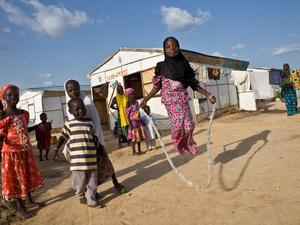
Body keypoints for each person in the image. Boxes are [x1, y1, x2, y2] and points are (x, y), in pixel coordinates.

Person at [140, 37, 216, 156]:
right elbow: (157, 86)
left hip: (183, 99)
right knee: (178, 127)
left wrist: (209, 95)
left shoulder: (184, 66)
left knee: (189, 126)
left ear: (179, 47)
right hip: (171, 101)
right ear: (164, 50)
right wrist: (146, 99)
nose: (172, 49)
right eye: (168, 47)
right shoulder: (161, 67)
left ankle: (188, 144)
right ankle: (178, 143)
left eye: (175, 46)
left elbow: (193, 84)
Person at [64, 79, 126, 194]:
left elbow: (96, 121)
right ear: (66, 92)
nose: (73, 92)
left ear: (79, 88)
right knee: (86, 169)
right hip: (81, 144)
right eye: (70, 90)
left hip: (93, 140)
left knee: (106, 164)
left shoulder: (87, 102)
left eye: (75, 89)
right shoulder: (69, 104)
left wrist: (96, 137)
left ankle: (116, 183)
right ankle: (93, 192)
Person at [0, 84, 44, 220]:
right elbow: (1, 135)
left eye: (15, 95)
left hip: (25, 151)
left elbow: (24, 129)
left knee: (26, 175)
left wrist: (36, 127)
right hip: (12, 154)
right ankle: (19, 207)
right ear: (3, 98)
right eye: (9, 95)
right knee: (16, 179)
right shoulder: (3, 115)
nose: (13, 97)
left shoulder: (23, 113)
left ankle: (29, 200)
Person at [52, 98, 102, 208]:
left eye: (83, 108)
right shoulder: (69, 124)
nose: (81, 111)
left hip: (91, 160)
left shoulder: (90, 123)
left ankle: (92, 201)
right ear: (71, 112)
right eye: (77, 109)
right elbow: (62, 138)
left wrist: (95, 141)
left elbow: (92, 137)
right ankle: (80, 194)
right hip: (77, 162)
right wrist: (56, 149)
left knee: (92, 183)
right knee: (79, 183)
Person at [125, 88, 146, 155]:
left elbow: (138, 112)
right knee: (134, 138)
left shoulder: (136, 102)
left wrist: (141, 120)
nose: (132, 96)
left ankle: (139, 150)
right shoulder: (128, 103)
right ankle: (133, 151)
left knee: (139, 136)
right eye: (130, 95)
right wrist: (130, 124)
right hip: (133, 123)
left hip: (138, 122)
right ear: (127, 95)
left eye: (133, 94)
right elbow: (127, 115)